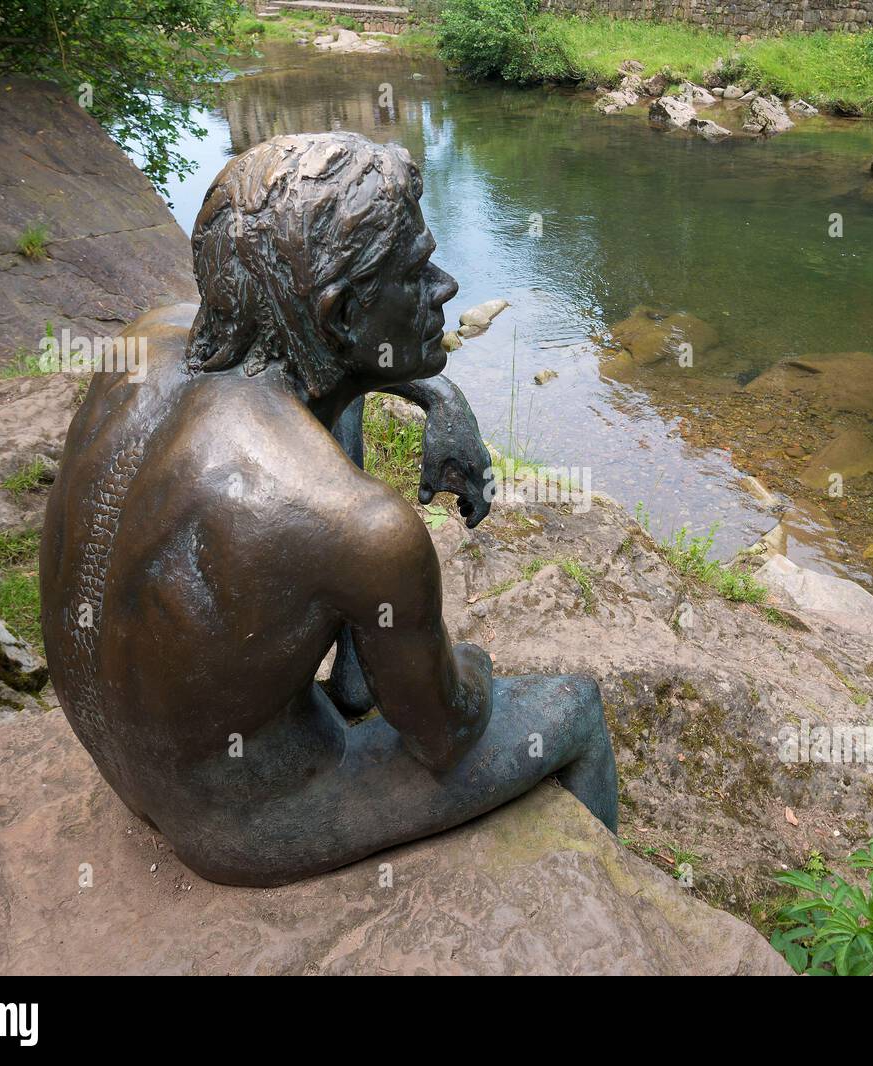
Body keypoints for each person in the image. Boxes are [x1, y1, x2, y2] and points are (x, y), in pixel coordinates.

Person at [39, 133, 617, 887]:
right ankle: (594, 895)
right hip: (239, 817)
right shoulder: (365, 527)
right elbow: (445, 738)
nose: (445, 289)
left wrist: (435, 390)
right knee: (576, 709)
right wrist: (464, 669)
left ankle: (355, 682)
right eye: (417, 273)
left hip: (121, 753)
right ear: (342, 314)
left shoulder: (148, 338)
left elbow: (290, 357)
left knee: (327, 409)